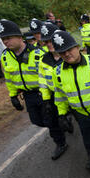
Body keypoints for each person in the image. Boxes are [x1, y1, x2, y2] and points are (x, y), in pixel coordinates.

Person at [0, 19, 68, 158]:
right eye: (3, 39)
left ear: (19, 37)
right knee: (37, 121)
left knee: (50, 120)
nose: (5, 42)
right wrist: (12, 95)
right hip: (28, 95)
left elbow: (49, 75)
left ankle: (61, 143)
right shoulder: (5, 56)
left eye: (8, 38)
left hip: (43, 93)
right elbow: (9, 78)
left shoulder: (38, 54)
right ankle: (61, 124)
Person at [51, 30, 90, 173]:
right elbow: (60, 95)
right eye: (62, 52)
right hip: (81, 116)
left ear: (77, 47)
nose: (67, 54)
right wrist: (62, 114)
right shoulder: (57, 72)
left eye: (69, 50)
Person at [38, 22, 72, 160]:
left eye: (51, 40)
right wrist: (46, 100)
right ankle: (60, 143)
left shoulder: (69, 56)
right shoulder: (43, 61)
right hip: (55, 96)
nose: (49, 44)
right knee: (51, 120)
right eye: (46, 41)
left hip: (73, 95)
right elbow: (42, 81)